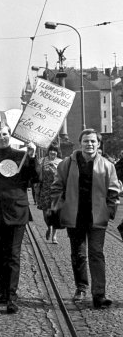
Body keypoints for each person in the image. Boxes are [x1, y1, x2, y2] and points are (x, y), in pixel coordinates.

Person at [50, 129, 120, 308]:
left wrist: (110, 210)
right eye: (86, 141)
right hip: (75, 216)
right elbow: (57, 186)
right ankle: (81, 287)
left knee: (96, 253)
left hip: (97, 216)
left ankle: (99, 294)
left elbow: (113, 190)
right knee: (79, 254)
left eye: (93, 142)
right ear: (80, 143)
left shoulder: (107, 165)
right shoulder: (67, 163)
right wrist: (58, 207)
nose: (89, 144)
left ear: (98, 144)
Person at [0, 122, 38, 314]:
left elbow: (35, 178)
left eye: (5, 134)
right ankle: (3, 290)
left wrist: (32, 157)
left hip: (16, 212)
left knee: (13, 255)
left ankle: (12, 296)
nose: (2, 137)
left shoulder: (21, 156)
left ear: (10, 136)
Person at [36, 144, 62, 244]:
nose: (52, 152)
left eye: (55, 150)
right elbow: (38, 176)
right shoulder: (42, 161)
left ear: (57, 152)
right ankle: (48, 227)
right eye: (51, 150)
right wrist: (41, 168)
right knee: (46, 213)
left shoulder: (60, 162)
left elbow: (62, 177)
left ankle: (54, 236)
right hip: (45, 189)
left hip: (56, 190)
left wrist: (55, 170)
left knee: (55, 213)